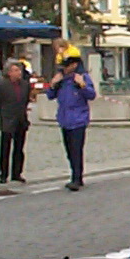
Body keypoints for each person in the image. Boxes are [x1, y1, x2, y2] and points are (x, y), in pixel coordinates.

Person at [46, 45, 96, 190]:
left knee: (76, 150)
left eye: (67, 66)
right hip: (64, 119)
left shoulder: (82, 77)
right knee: (69, 150)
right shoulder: (62, 79)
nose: (64, 69)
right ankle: (75, 174)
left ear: (74, 65)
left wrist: (82, 85)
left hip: (78, 119)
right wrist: (53, 85)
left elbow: (92, 95)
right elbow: (50, 96)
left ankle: (76, 178)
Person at [0, 61, 31, 183]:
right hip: (7, 120)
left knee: (19, 148)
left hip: (21, 120)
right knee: (5, 148)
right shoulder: (2, 85)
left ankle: (17, 173)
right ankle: (3, 174)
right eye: (15, 70)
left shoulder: (25, 85)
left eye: (19, 70)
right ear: (9, 73)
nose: (18, 73)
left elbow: (26, 101)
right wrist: (4, 115)